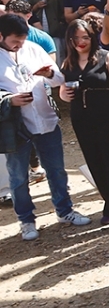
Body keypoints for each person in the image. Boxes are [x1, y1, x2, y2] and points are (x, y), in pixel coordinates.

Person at [0, 14, 87, 242]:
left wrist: (49, 73)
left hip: (44, 118)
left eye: (22, 40)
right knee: (18, 176)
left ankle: (65, 210)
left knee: (56, 169)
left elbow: (58, 79)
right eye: (14, 42)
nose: (19, 45)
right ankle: (26, 220)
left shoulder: (33, 49)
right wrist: (10, 100)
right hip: (15, 127)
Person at [58, 19, 109, 231]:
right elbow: (63, 91)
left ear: (92, 37)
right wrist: (63, 94)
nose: (80, 42)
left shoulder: (107, 58)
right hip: (82, 120)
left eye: (85, 37)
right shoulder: (68, 63)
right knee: (95, 163)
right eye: (75, 38)